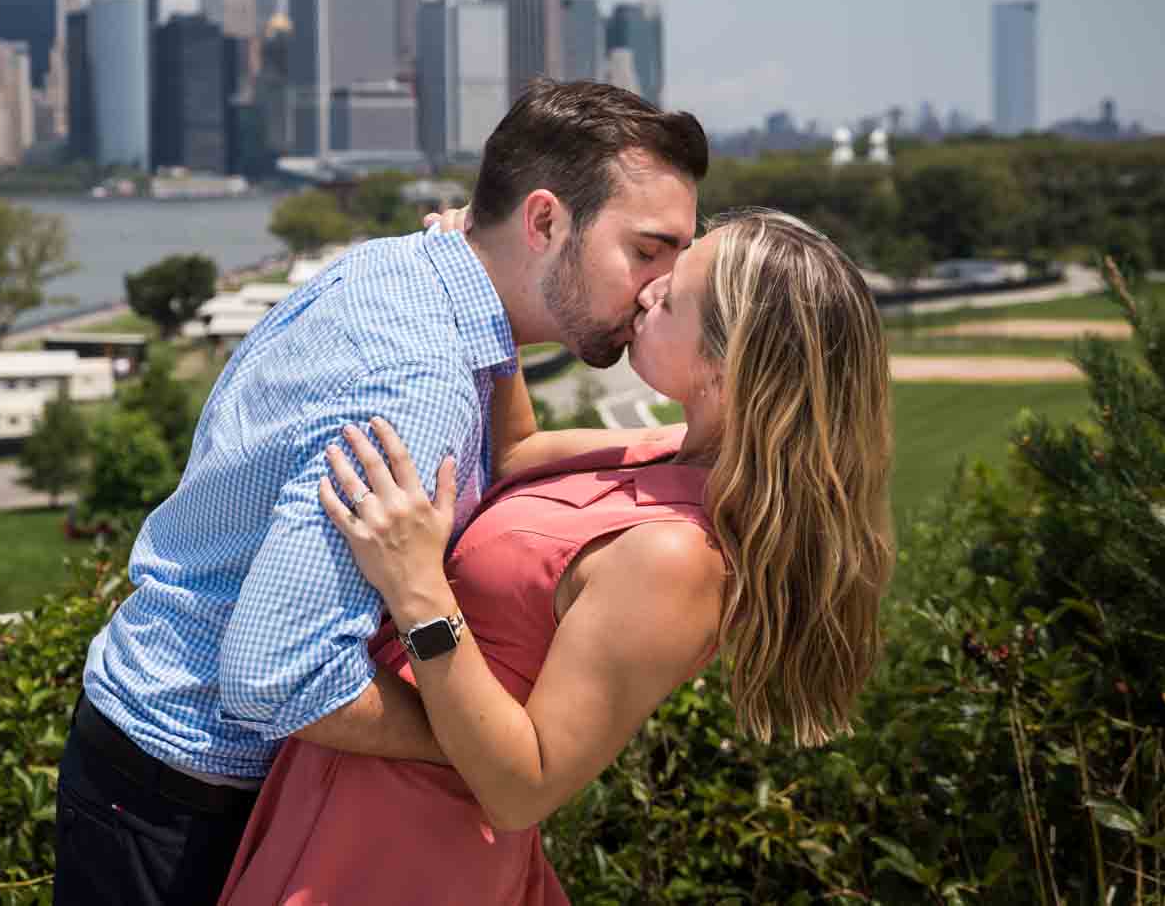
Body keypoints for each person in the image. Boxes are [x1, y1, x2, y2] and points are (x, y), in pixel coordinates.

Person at [53, 80, 710, 906]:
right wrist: (484, 743)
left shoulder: (409, 272)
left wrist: (684, 447)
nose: (658, 286)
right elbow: (272, 674)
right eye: (648, 251)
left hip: (143, 756)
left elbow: (509, 453)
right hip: (184, 800)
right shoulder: (420, 381)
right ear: (544, 221)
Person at [215, 207, 896, 904]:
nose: (647, 290)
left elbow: (524, 788)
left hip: (406, 850)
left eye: (674, 293)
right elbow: (515, 455)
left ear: (727, 365)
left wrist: (419, 586)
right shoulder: (666, 449)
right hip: (341, 792)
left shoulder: (677, 555)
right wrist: (489, 278)